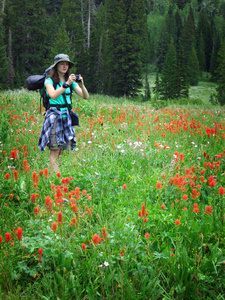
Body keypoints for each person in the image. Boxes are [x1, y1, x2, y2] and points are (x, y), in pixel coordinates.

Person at [38, 53, 89, 173]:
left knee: (61, 151)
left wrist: (82, 85)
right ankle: (56, 179)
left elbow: (85, 96)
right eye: (62, 64)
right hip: (54, 117)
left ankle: (56, 175)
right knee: (55, 150)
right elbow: (53, 95)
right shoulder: (49, 81)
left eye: (66, 64)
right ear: (56, 66)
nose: (65, 66)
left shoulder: (71, 81)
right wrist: (67, 84)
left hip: (67, 118)